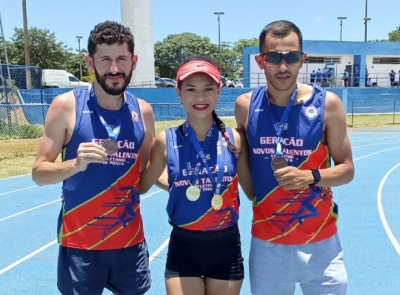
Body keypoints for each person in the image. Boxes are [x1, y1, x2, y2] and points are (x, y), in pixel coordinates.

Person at [32, 21, 154, 295]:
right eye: (105, 60)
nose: (114, 69)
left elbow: (143, 178)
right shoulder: (66, 106)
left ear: (133, 60)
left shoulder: (143, 111)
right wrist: (75, 164)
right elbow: (39, 173)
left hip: (129, 241)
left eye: (121, 59)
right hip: (81, 245)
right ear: (90, 62)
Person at [234, 20, 354, 295]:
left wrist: (310, 177)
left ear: (303, 59)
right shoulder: (245, 106)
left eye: (291, 57)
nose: (283, 66)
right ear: (260, 60)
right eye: (274, 57)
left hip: (321, 244)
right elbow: (245, 167)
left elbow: (347, 170)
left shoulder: (329, 104)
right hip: (268, 245)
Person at [139, 55, 254, 295]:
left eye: (208, 89)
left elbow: (252, 191)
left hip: (226, 245)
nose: (200, 97)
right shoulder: (165, 141)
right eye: (190, 89)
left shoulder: (235, 139)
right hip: (184, 246)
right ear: (178, 93)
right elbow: (142, 186)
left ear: (218, 91)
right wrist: (176, 185)